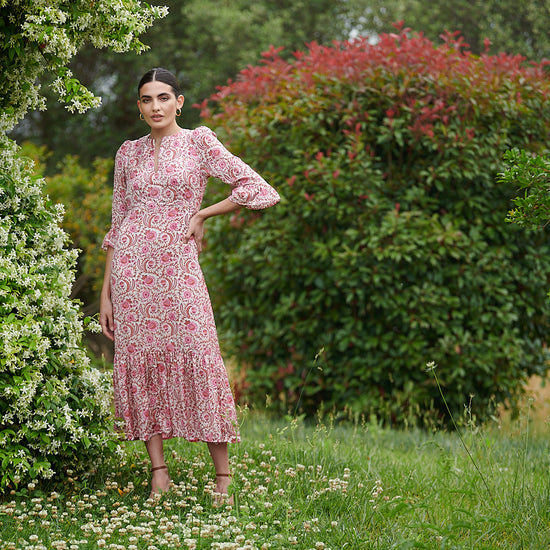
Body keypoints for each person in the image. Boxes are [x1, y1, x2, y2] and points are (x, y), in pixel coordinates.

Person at [99, 67, 280, 501]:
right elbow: (117, 223)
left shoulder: (199, 142)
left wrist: (202, 214)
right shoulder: (128, 153)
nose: (156, 106)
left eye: (164, 97)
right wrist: (104, 294)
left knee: (199, 354)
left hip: (178, 270)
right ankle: (158, 472)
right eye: (147, 99)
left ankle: (224, 478)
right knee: (141, 361)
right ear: (139, 107)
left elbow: (256, 187)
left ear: (179, 101)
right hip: (130, 274)